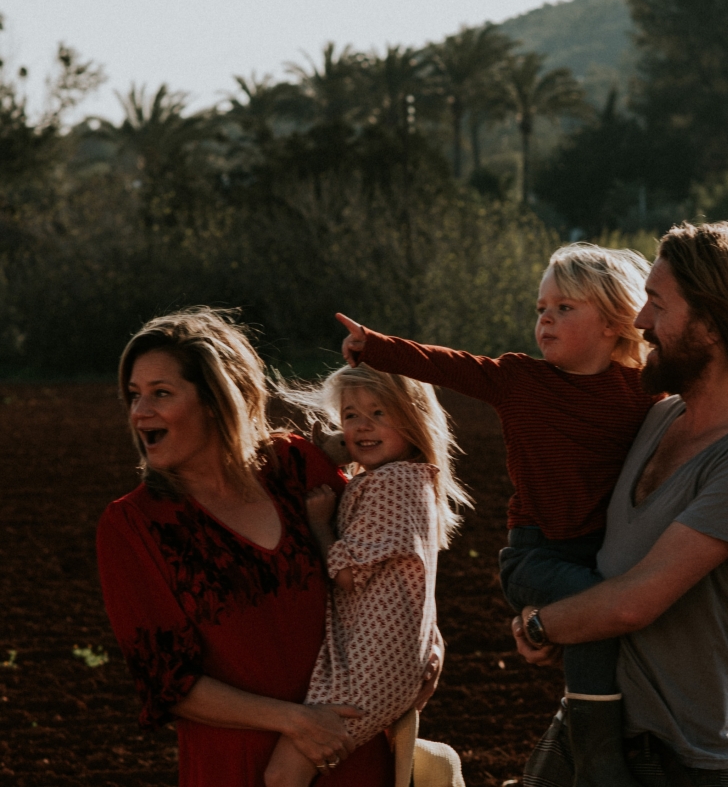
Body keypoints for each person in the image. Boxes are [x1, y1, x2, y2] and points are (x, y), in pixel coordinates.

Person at [512, 221, 728, 787]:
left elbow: (636, 602)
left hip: (677, 761)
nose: (639, 322)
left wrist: (542, 624)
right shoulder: (658, 419)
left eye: (656, 304)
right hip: (588, 730)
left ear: (711, 322)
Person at [338, 244, 660, 786]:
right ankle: (602, 758)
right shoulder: (519, 381)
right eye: (540, 309)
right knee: (600, 611)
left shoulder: (643, 391)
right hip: (535, 556)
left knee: (603, 619)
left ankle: (568, 766)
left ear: (612, 322)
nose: (545, 320)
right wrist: (374, 347)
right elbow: (446, 365)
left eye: (563, 308)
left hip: (603, 553)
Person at [96, 309, 415, 787]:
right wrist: (294, 721)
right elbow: (170, 684)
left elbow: (388, 570)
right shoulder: (133, 527)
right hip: (240, 767)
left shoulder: (295, 469)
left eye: (161, 393)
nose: (140, 412)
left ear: (217, 399)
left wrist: (420, 652)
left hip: (352, 753)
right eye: (134, 396)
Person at [263, 362, 470, 787]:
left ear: (413, 418)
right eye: (351, 415)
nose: (362, 426)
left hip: (368, 668)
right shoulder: (415, 479)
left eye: (379, 413)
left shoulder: (386, 485)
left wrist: (320, 523)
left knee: (283, 775)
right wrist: (333, 450)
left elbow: (346, 577)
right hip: (394, 660)